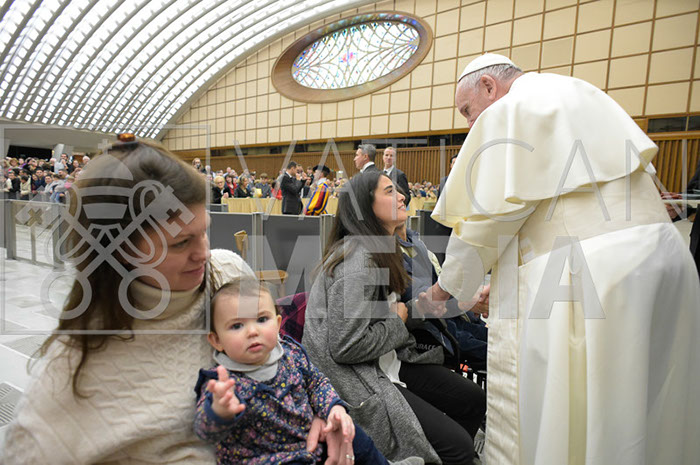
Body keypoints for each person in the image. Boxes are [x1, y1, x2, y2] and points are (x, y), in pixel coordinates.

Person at [425, 53, 700, 465]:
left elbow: (486, 222)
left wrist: (442, 291)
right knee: (650, 401)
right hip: (663, 255)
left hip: (598, 271)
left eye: (467, 110)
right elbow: (548, 211)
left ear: (489, 87)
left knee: (595, 411)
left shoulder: (509, 109)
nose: (469, 124)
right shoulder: (580, 92)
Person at [0, 135, 339, 464]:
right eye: (180, 243)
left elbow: (285, 365)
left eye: (204, 231)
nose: (203, 253)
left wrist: (315, 413)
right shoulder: (70, 372)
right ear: (120, 251)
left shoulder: (227, 272)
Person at [303, 171, 486, 465]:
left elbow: (382, 316)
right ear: (365, 207)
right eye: (389, 191)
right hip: (357, 378)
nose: (402, 196)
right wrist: (400, 320)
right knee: (458, 448)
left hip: (385, 360)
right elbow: (346, 347)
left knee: (472, 400)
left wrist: (418, 310)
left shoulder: (381, 249)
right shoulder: (356, 262)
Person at [194, 278, 423, 465]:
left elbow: (316, 382)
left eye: (262, 319)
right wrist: (219, 412)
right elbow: (204, 431)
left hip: (313, 442)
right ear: (216, 340)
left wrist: (333, 408)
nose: (252, 331)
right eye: (237, 326)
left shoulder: (290, 353)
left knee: (353, 434)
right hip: (269, 459)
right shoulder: (221, 383)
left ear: (278, 323)